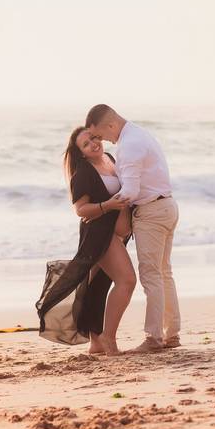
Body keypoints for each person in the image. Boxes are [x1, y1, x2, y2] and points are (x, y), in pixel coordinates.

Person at [86, 104, 181, 353]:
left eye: (100, 134)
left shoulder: (128, 145)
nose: (102, 140)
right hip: (166, 206)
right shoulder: (140, 133)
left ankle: (154, 338)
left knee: (151, 276)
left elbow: (130, 191)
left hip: (151, 213)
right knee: (163, 272)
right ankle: (171, 333)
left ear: (110, 125)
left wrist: (104, 207)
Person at [35, 126, 136, 356]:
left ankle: (96, 343)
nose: (93, 144)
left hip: (117, 235)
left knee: (97, 286)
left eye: (93, 138)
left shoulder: (110, 159)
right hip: (99, 234)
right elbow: (81, 210)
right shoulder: (82, 174)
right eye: (86, 144)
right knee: (127, 280)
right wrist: (108, 205)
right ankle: (109, 339)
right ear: (81, 152)